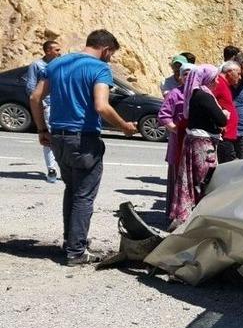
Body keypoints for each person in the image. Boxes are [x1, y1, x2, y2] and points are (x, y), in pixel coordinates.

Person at [29, 29, 137, 265]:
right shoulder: (99, 68)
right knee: (83, 195)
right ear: (106, 49)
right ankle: (76, 252)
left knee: (72, 189)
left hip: (58, 137)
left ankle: (71, 242)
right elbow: (101, 106)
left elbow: (36, 98)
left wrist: (41, 130)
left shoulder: (57, 63)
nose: (110, 59)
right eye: (111, 54)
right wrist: (125, 126)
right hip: (83, 139)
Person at [169, 64, 227, 228]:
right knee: (205, 180)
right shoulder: (204, 96)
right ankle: (200, 219)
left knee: (190, 180)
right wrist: (224, 114)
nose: (217, 81)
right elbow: (221, 120)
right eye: (215, 78)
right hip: (203, 145)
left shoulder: (195, 94)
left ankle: (186, 216)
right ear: (207, 79)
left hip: (193, 142)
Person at [158, 63, 194, 219]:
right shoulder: (174, 94)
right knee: (176, 180)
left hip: (195, 143)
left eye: (191, 73)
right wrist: (176, 130)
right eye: (184, 73)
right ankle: (173, 215)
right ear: (179, 77)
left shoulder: (201, 93)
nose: (187, 76)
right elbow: (163, 115)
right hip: (178, 142)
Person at [25, 40, 62, 183]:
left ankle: (64, 168)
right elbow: (30, 87)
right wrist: (42, 104)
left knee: (62, 137)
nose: (60, 53)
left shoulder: (60, 65)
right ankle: (51, 169)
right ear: (47, 51)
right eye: (56, 50)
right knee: (48, 138)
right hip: (47, 106)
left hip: (61, 106)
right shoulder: (37, 65)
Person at [213, 60, 241, 163]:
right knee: (227, 164)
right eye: (238, 74)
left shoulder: (224, 84)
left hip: (228, 134)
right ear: (230, 71)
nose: (240, 77)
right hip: (224, 134)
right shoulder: (218, 83)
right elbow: (209, 102)